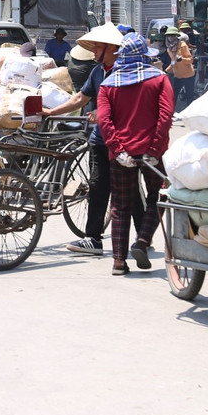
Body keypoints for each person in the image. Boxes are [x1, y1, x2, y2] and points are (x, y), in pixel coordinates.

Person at [42, 23, 138, 257]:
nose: (93, 52)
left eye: (97, 47)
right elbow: (80, 98)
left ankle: (142, 238)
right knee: (97, 188)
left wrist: (103, 114)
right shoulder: (97, 72)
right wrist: (53, 112)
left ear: (110, 48)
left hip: (124, 142)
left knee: (129, 192)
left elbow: (131, 107)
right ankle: (93, 238)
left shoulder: (126, 73)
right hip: (99, 140)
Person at [97, 33, 174, 275]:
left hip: (120, 155)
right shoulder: (160, 80)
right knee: (158, 197)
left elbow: (104, 121)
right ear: (144, 56)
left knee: (120, 206)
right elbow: (166, 116)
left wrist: (118, 149)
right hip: (153, 152)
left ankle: (119, 261)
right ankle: (142, 241)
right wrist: (154, 149)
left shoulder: (107, 85)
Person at [166, 30, 197, 111]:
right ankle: (170, 113)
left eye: (173, 35)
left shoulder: (182, 45)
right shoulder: (169, 48)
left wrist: (182, 59)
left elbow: (190, 60)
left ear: (176, 36)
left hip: (188, 75)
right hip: (178, 75)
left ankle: (190, 113)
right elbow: (173, 61)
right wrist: (167, 70)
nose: (170, 37)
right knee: (174, 95)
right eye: (169, 35)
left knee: (189, 95)